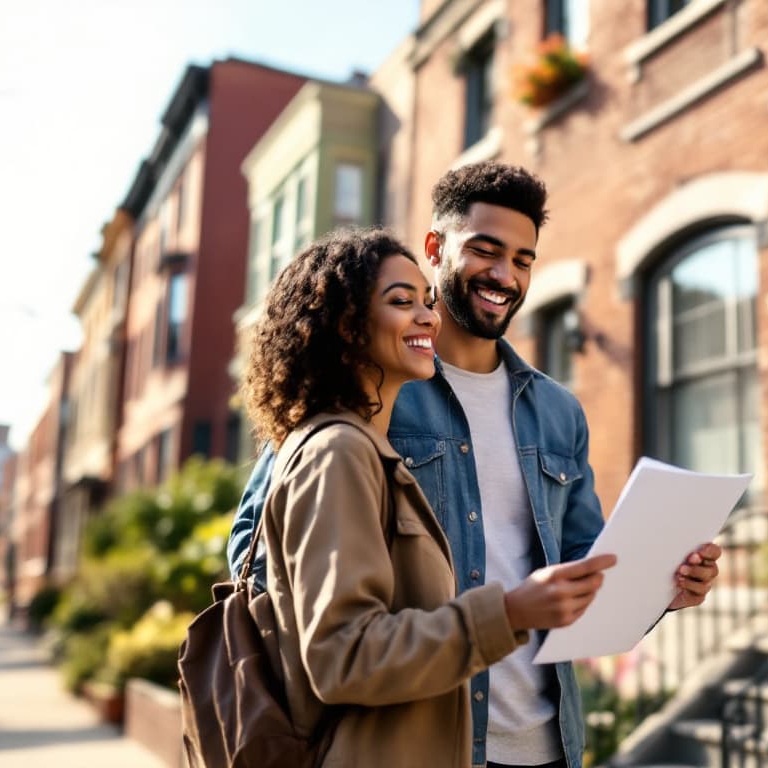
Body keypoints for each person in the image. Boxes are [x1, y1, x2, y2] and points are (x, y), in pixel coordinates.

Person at [230, 163, 722, 768]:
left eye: (523, 259)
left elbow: (585, 569)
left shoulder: (557, 411)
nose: (504, 275)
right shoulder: (367, 389)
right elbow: (258, 554)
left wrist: (661, 588)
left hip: (545, 741)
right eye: (486, 251)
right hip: (418, 740)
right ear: (435, 248)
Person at [238, 227, 616, 768]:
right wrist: (508, 612)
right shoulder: (339, 451)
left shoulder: (364, 446)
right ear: (345, 325)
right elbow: (340, 655)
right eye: (401, 302)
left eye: (426, 301)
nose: (427, 318)